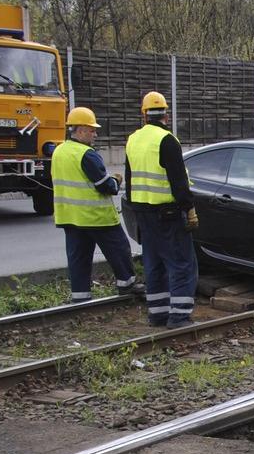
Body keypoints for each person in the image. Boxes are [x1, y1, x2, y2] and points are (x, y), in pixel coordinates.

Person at [52, 106, 143, 303]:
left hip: (70, 217)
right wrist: (117, 180)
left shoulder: (59, 151)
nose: (95, 134)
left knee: (79, 259)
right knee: (119, 250)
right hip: (96, 217)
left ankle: (80, 297)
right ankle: (127, 286)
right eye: (92, 130)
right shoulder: (87, 154)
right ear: (81, 130)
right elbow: (105, 187)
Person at [125, 91, 198, 328]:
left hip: (143, 213)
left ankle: (157, 314)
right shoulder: (167, 140)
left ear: (144, 114)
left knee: (154, 263)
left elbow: (129, 179)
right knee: (181, 264)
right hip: (167, 213)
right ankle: (179, 316)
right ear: (166, 114)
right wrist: (189, 208)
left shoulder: (133, 139)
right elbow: (178, 181)